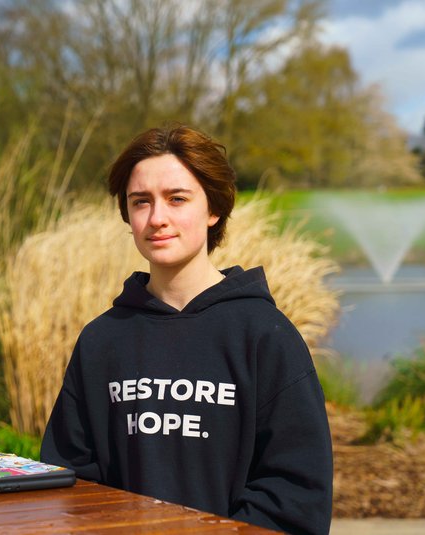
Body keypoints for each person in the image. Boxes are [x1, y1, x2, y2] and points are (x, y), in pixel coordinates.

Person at [40, 124, 333, 535]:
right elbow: (70, 478)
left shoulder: (266, 336)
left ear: (213, 209)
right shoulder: (101, 340)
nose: (158, 218)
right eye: (141, 202)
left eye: (177, 199)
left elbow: (295, 494)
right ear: (127, 215)